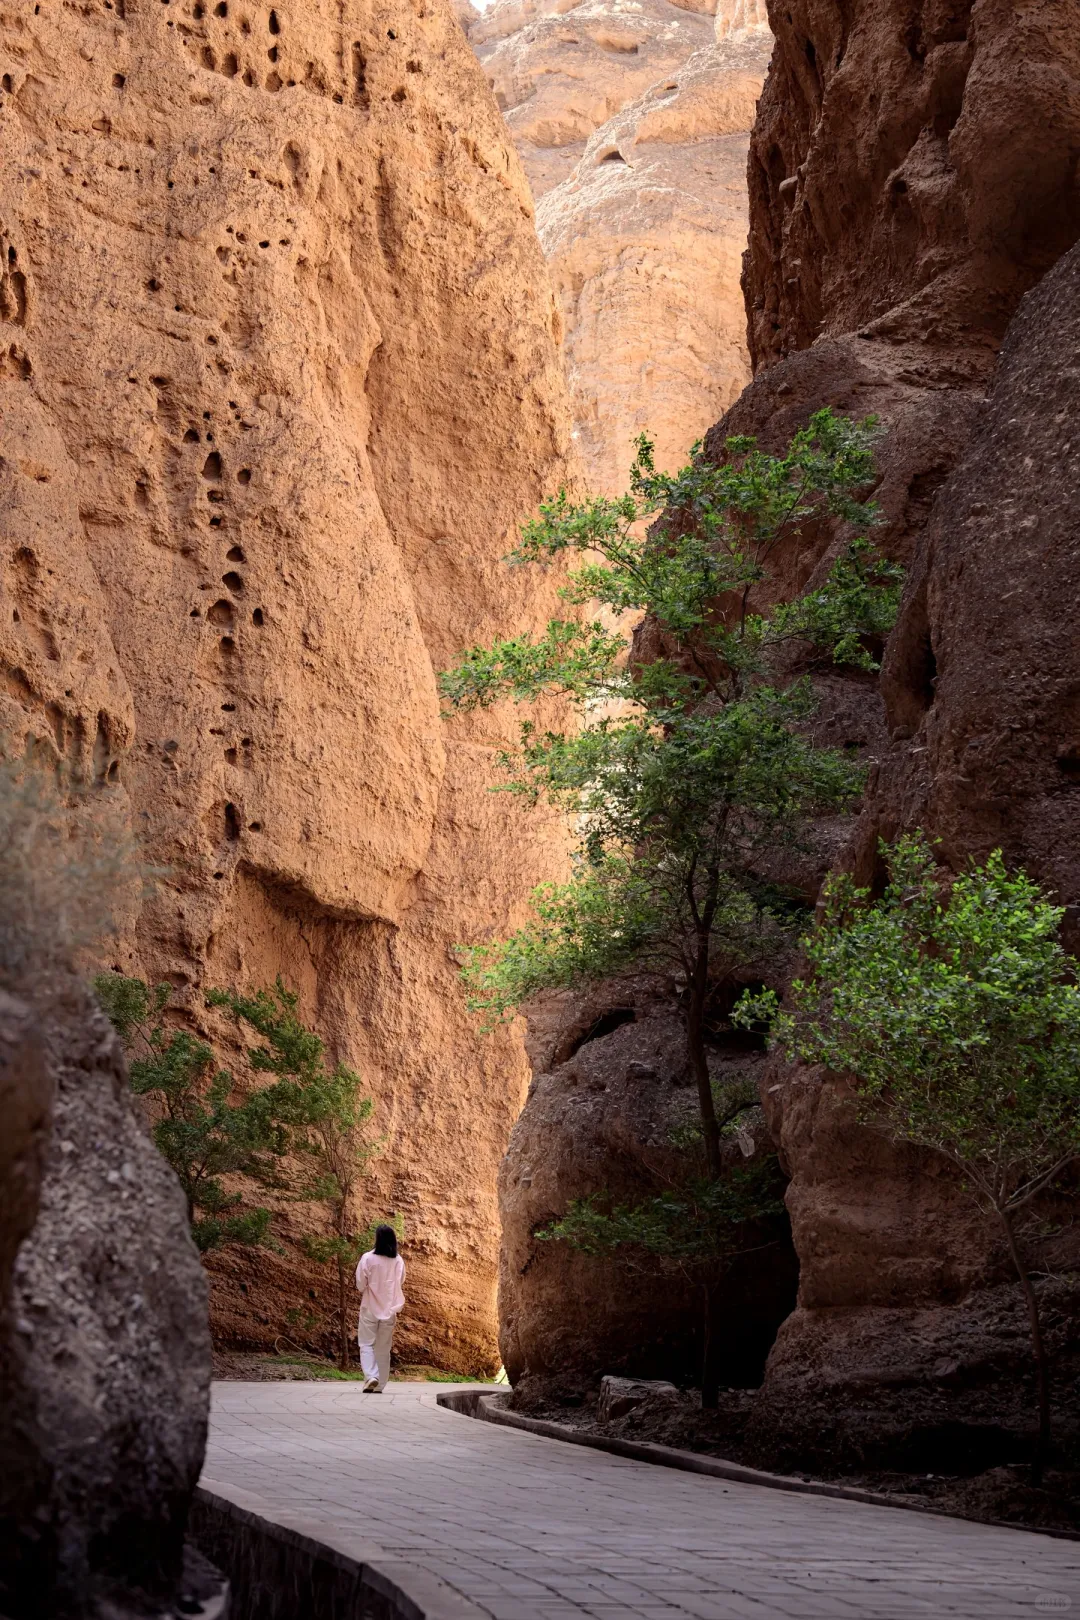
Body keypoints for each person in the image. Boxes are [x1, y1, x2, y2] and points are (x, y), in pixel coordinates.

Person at [355, 1224, 404, 1393]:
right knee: (383, 1347)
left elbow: (360, 1284)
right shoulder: (398, 1260)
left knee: (366, 1344)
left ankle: (371, 1377)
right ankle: (380, 1385)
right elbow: (401, 1281)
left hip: (369, 1307)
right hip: (390, 1309)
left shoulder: (367, 1258)